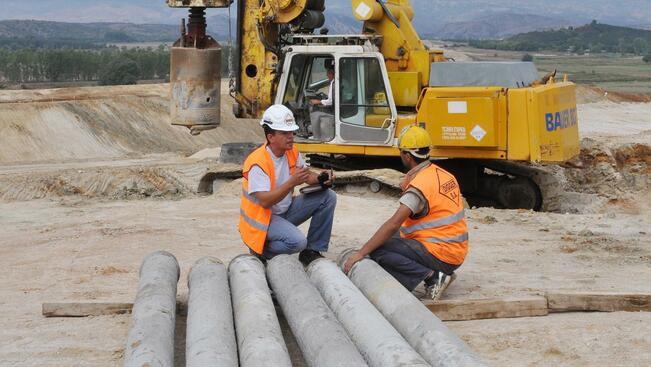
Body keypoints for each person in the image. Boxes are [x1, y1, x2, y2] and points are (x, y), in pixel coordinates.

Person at [343, 125, 469, 300]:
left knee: (379, 250)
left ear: (407, 156)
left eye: (401, 152)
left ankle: (433, 278)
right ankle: (440, 273)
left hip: (441, 253)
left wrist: (361, 253)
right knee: (389, 239)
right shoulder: (444, 175)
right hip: (455, 251)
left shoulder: (419, 188)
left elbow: (393, 223)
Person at [239, 104, 337, 265]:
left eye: (291, 132)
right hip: (264, 218)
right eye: (285, 133)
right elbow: (265, 201)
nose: (291, 136)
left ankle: (311, 251)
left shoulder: (291, 151)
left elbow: (307, 176)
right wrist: (292, 182)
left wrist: (321, 179)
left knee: (328, 197)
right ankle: (260, 250)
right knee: (297, 242)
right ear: (271, 137)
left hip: (285, 211)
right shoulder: (257, 162)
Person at [308, 62, 335, 140]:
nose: (327, 76)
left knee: (315, 113)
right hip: (336, 109)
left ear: (332, 74)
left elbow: (330, 101)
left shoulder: (334, 84)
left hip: (335, 111)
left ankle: (316, 136)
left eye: (328, 74)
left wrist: (318, 102)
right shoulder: (334, 83)